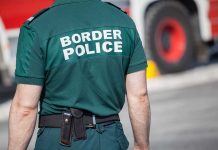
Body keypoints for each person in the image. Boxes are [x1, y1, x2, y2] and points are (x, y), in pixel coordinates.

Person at [8, 0, 150, 149]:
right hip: (109, 139)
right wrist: (142, 145)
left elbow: (25, 108)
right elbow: (139, 96)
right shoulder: (123, 21)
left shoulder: (38, 27)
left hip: (59, 141)